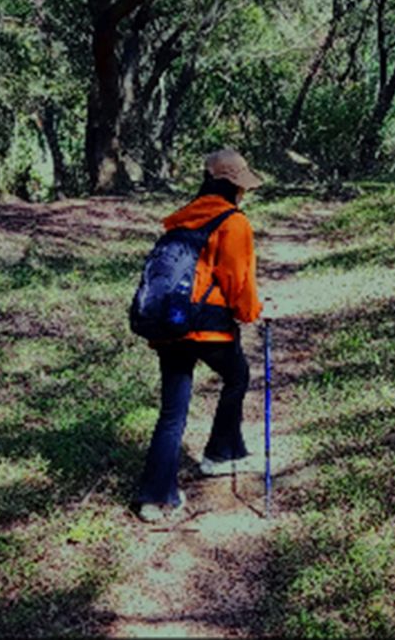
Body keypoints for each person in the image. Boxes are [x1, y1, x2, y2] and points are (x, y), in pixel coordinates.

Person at [134, 149, 267, 523]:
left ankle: (154, 499)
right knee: (237, 375)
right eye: (242, 185)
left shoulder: (181, 221)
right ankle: (219, 455)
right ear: (233, 185)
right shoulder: (233, 222)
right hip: (208, 325)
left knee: (172, 412)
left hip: (169, 326)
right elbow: (237, 281)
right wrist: (253, 313)